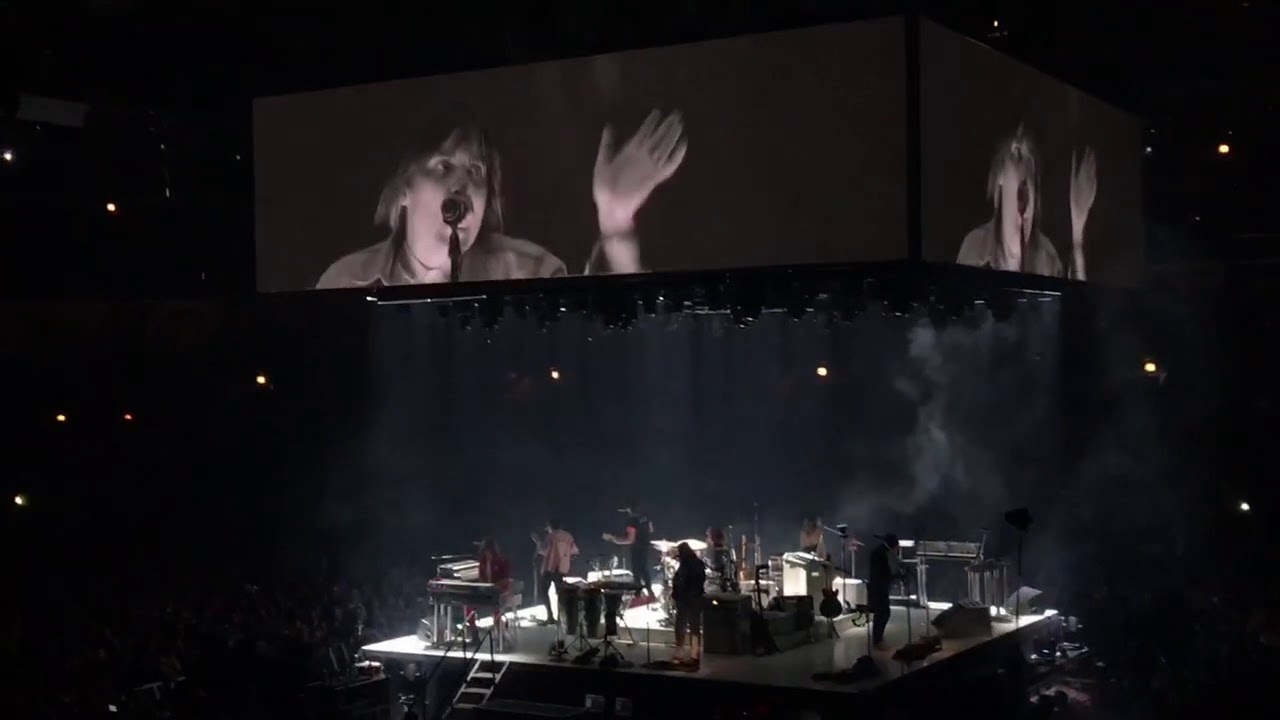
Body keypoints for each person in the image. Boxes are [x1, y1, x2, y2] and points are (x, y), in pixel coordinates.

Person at [316, 111, 688, 288]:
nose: (463, 182)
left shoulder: (530, 271)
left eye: (476, 172)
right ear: (403, 191)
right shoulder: (345, 281)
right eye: (443, 166)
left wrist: (615, 220)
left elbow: (608, 346)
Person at [955, 123, 1096, 280]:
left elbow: (1074, 302)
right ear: (999, 174)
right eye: (1015, 151)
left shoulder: (1047, 257)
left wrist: (1078, 228)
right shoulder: (975, 247)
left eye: (1030, 157)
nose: (1024, 163)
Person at [531, 519, 578, 625]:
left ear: (549, 526)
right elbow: (574, 551)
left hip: (550, 567)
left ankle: (550, 617)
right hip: (561, 569)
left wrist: (537, 541)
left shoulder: (550, 536)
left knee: (544, 592)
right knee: (560, 593)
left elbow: (544, 550)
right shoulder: (568, 536)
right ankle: (562, 618)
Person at [603, 507, 655, 599]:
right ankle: (650, 593)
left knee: (637, 572)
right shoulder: (645, 515)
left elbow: (630, 539)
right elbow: (651, 529)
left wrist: (613, 539)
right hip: (645, 546)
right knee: (644, 569)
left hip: (636, 549)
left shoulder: (631, 520)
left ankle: (638, 596)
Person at [671, 541, 707, 667]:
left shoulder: (685, 565)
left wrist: (676, 594)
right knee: (694, 628)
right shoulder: (699, 563)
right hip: (696, 598)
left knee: (680, 625)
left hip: (685, 599)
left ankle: (680, 651)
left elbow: (681, 581)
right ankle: (694, 654)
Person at [467, 538, 512, 637]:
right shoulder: (482, 562)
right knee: (469, 605)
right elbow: (482, 578)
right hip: (486, 589)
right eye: (485, 551)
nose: (487, 554)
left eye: (488, 551)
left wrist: (496, 585)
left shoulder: (502, 560)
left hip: (499, 590)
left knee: (496, 607)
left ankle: (501, 635)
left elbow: (506, 579)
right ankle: (474, 633)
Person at [867, 533, 904, 649]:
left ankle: (878, 639)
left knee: (882, 613)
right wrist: (898, 575)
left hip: (878, 586)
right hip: (879, 587)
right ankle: (877, 641)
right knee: (882, 613)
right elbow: (885, 571)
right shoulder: (882, 553)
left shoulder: (881, 551)